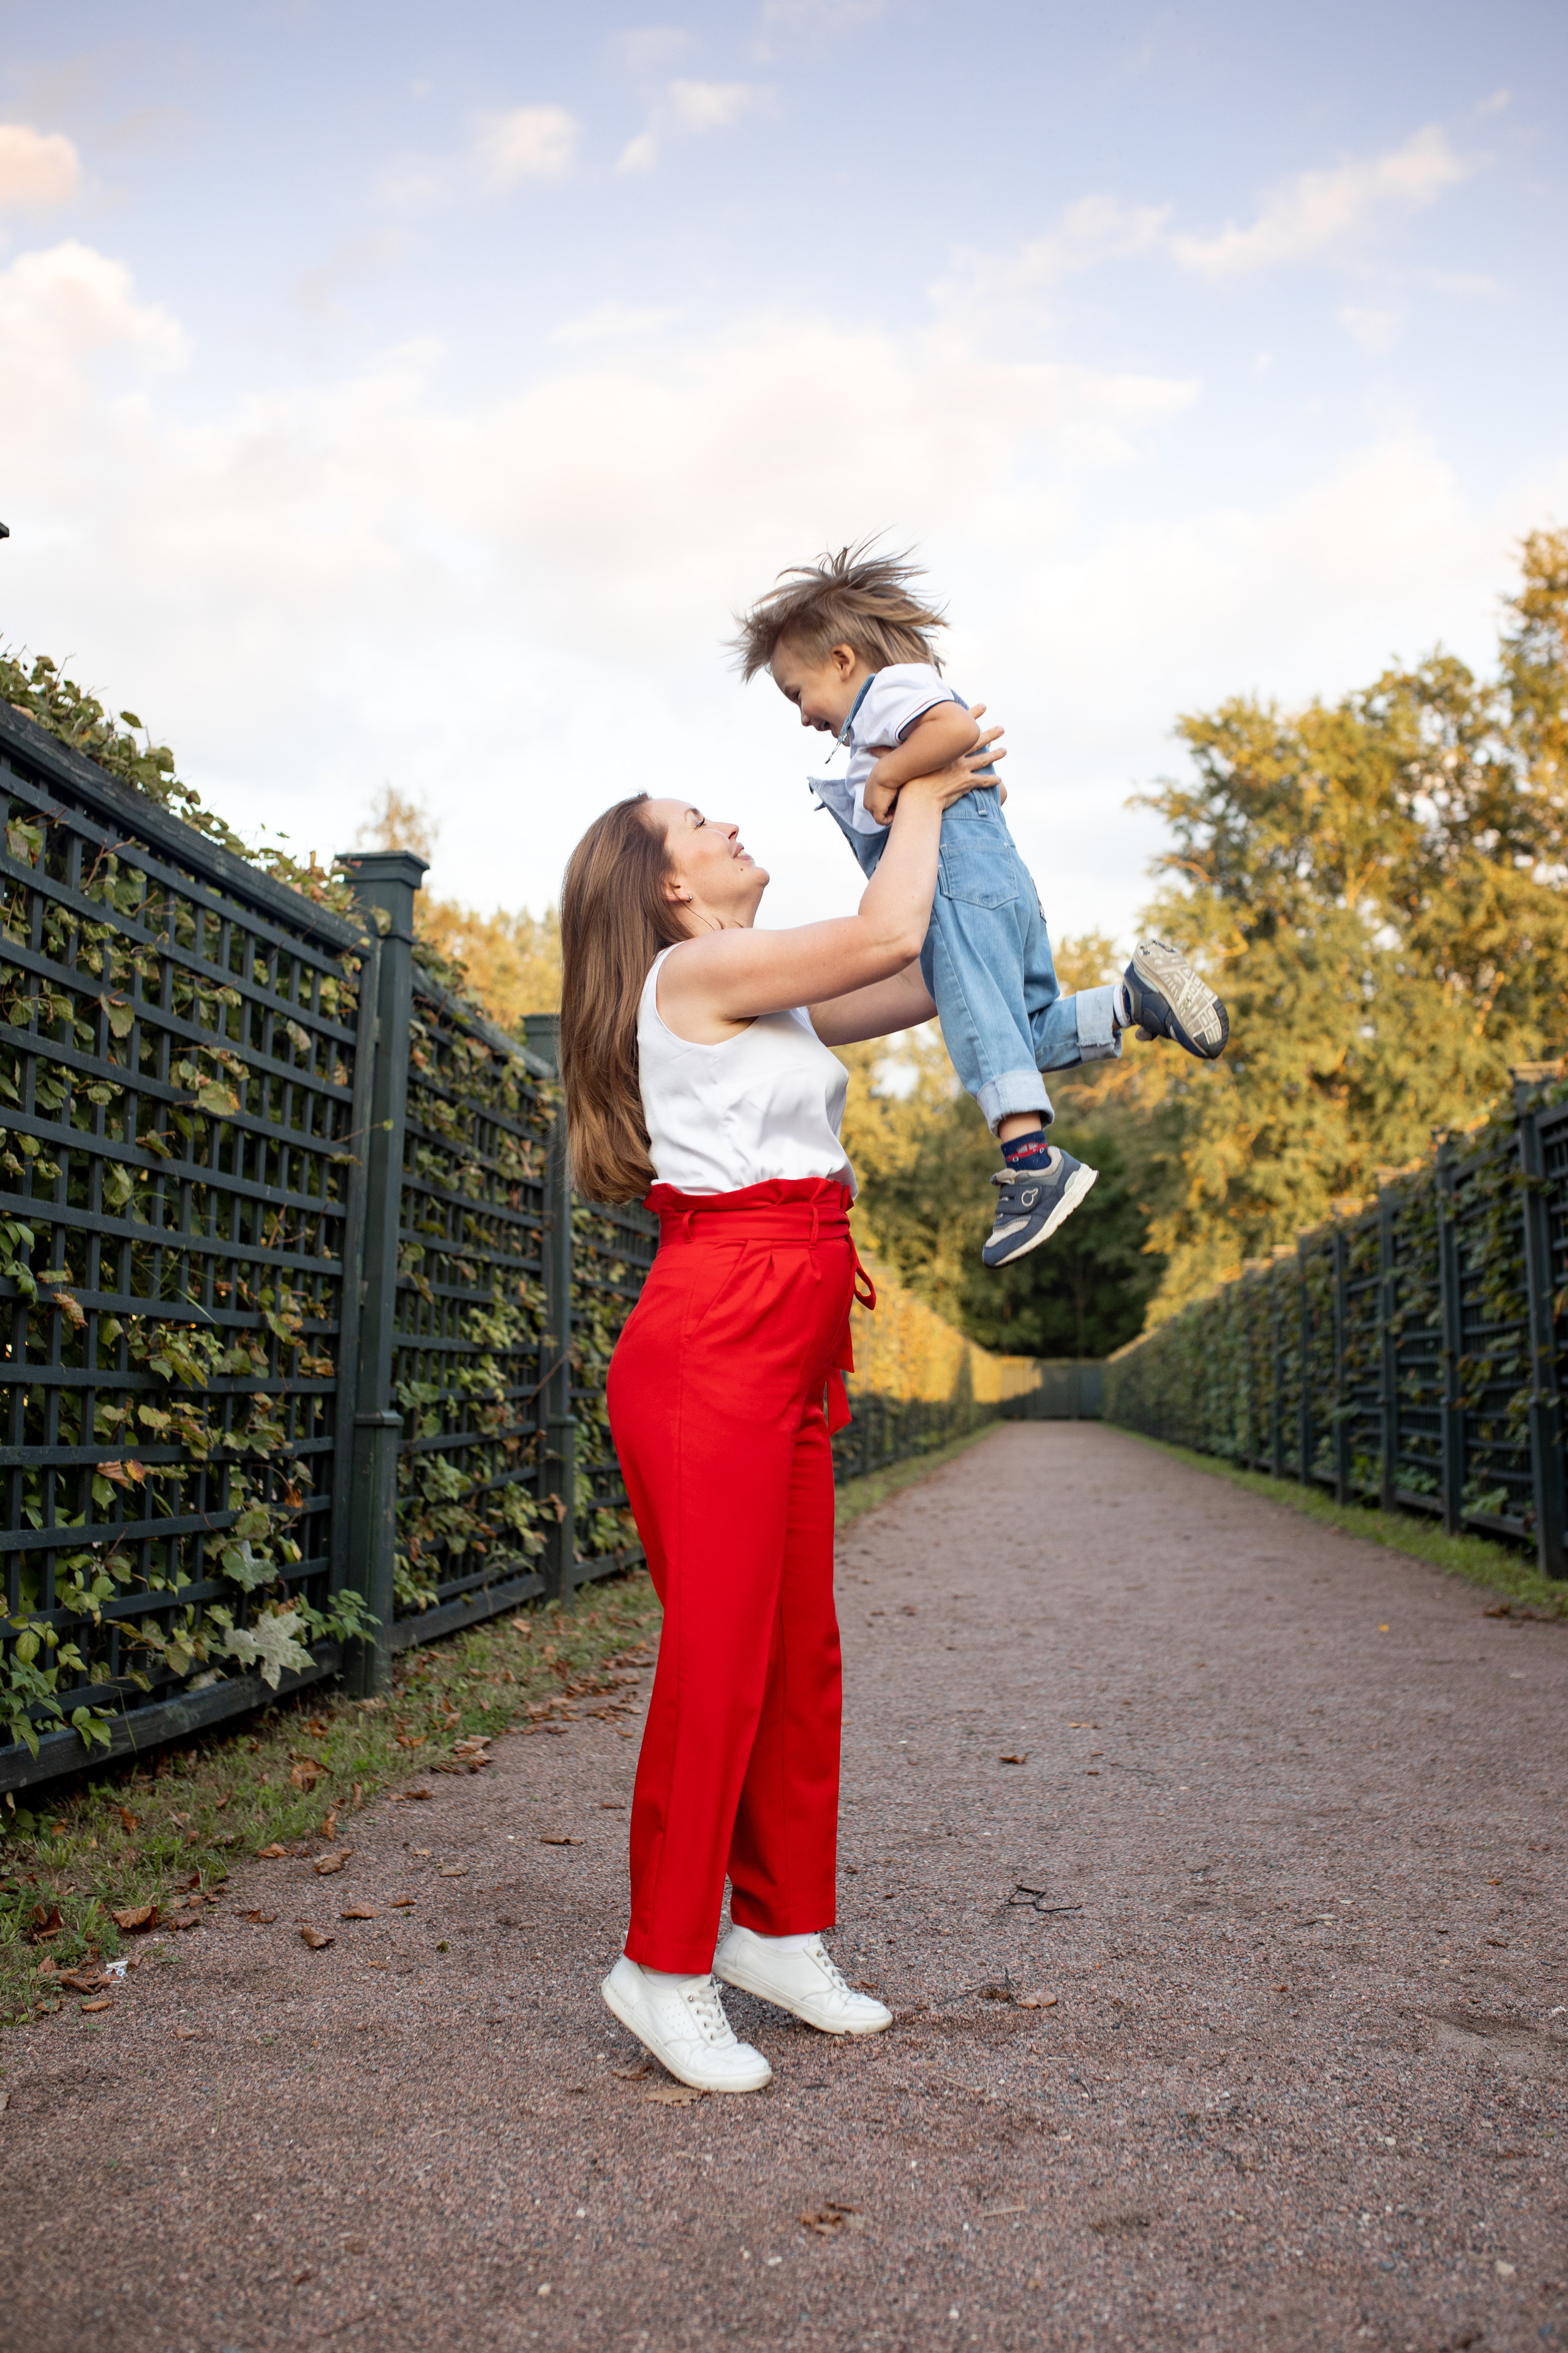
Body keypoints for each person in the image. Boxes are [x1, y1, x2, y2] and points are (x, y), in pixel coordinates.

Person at [558, 725, 1003, 2092]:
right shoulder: (696, 972)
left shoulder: (765, 995)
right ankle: (661, 1964)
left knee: (797, 1655)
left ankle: (778, 1930)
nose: (731, 828)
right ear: (666, 889)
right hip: (712, 1344)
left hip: (783, 1337)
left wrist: (1071, 980)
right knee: (720, 1661)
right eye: (701, 822)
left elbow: (924, 973)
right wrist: (917, 787)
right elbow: (878, 934)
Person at [732, 543, 1230, 1269]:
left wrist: (892, 776)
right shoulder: (881, 715)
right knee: (1020, 1031)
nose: (801, 712)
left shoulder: (892, 694)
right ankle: (1132, 1001)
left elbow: (956, 731)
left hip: (959, 888)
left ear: (843, 661)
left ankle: (1032, 1164)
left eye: (794, 691)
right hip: (998, 886)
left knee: (979, 1027)